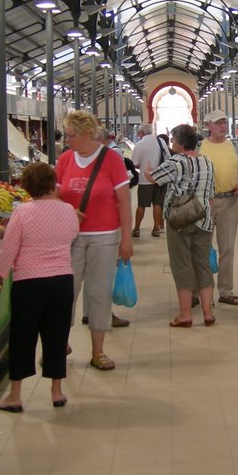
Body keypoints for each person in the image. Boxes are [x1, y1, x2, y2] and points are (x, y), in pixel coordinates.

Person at [0, 162, 79, 412]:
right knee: (57, 336)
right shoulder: (67, 211)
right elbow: (73, 234)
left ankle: (15, 395)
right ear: (53, 184)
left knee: (22, 337)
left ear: (27, 187)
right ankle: (57, 391)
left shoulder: (22, 212)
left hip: (28, 283)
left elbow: (10, 247)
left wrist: (0, 273)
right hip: (62, 281)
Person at [56, 110, 134, 371]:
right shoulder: (65, 160)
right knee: (66, 294)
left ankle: (98, 351)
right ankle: (60, 344)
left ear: (87, 134)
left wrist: (126, 239)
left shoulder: (111, 159)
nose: (67, 140)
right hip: (71, 238)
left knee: (99, 293)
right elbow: (54, 197)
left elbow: (124, 202)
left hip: (104, 237)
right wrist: (68, 212)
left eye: (71, 135)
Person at [148, 124, 216, 327]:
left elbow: (155, 179)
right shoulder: (207, 161)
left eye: (173, 140)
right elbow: (211, 193)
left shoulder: (175, 162)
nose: (171, 143)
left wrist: (148, 172)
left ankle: (185, 314)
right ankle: (207, 313)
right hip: (203, 218)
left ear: (179, 142)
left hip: (179, 220)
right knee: (203, 264)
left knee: (182, 265)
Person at [198, 109, 238, 306]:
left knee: (227, 248)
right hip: (205, 203)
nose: (223, 126)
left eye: (225, 122)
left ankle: (225, 290)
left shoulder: (234, 146)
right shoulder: (200, 147)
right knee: (202, 248)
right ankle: (202, 290)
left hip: (229, 203)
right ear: (208, 125)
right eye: (218, 123)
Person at [131, 123, 167, 237]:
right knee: (157, 204)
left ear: (141, 133)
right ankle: (156, 228)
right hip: (159, 179)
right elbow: (168, 158)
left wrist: (142, 166)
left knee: (141, 205)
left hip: (145, 179)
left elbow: (135, 164)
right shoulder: (161, 142)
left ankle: (137, 229)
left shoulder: (139, 144)